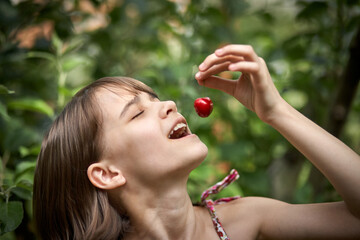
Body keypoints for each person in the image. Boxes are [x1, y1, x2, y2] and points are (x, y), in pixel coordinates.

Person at [33, 44, 360, 239]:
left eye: (156, 98)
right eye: (136, 114)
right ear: (107, 174)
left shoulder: (247, 220)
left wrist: (276, 112)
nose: (168, 104)